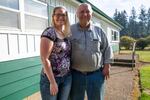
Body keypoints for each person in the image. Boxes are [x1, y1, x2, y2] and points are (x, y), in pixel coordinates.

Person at [70, 3, 113, 100]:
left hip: (96, 75)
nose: (85, 14)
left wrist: (107, 66)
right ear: (77, 14)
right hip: (75, 75)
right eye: (82, 12)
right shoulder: (70, 30)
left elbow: (107, 48)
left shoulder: (99, 31)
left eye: (87, 11)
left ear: (91, 14)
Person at [40, 6, 72, 100]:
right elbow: (44, 59)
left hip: (66, 77)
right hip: (52, 79)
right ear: (53, 16)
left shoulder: (65, 33)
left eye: (63, 15)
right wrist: (53, 82)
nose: (61, 17)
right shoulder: (49, 32)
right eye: (58, 14)